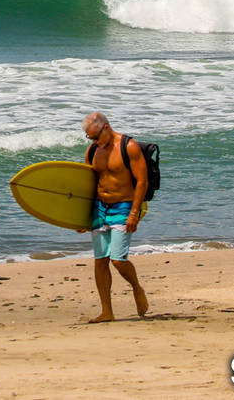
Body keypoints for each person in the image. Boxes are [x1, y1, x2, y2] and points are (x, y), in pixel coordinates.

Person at [81, 111, 149, 323]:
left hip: (123, 205)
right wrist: (79, 217)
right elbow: (86, 184)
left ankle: (137, 288)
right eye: (89, 137)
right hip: (100, 208)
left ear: (106, 128)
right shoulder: (93, 150)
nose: (93, 141)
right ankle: (106, 311)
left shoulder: (128, 147)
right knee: (100, 261)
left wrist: (134, 213)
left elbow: (142, 182)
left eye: (95, 136)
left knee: (118, 259)